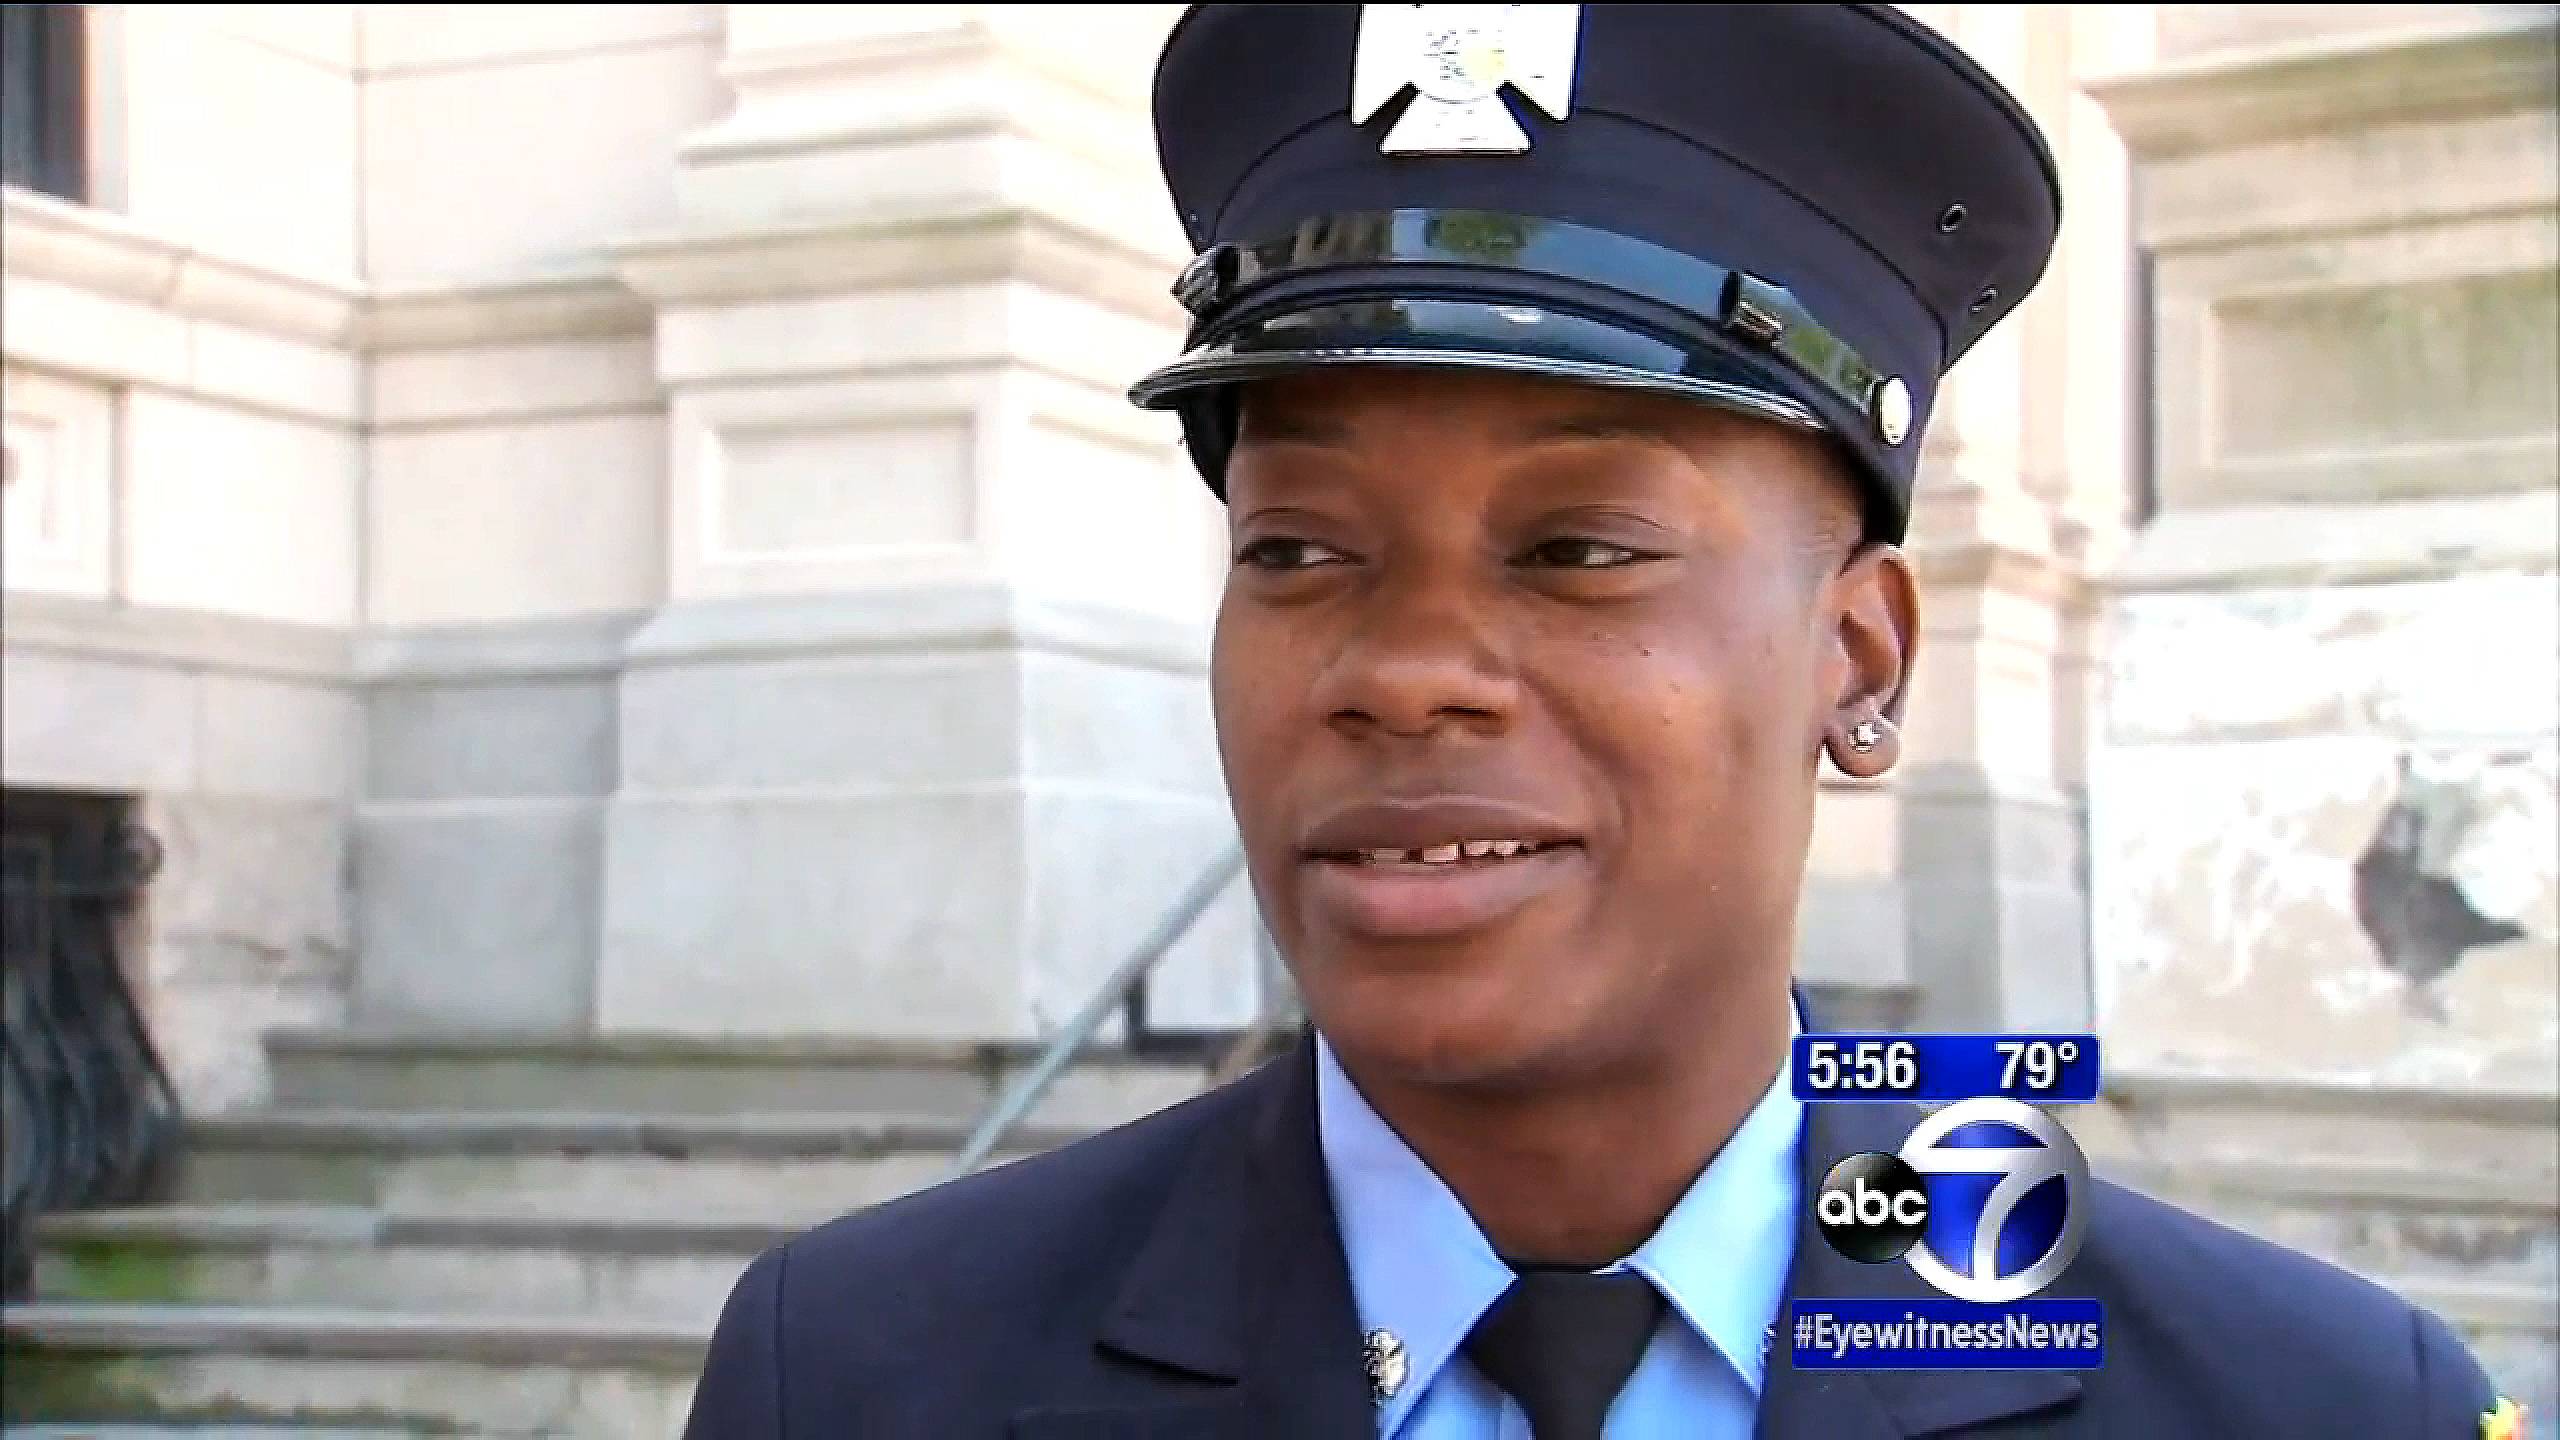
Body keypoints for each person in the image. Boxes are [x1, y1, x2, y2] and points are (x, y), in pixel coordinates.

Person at [682, 6, 2522, 1437]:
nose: (1406, 669)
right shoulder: (853, 1379)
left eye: (1578, 548)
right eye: (1302, 548)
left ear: (1863, 661)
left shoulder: (2320, 1408)